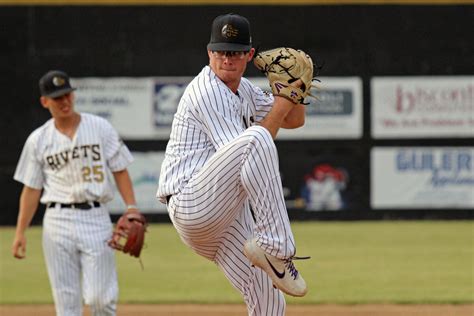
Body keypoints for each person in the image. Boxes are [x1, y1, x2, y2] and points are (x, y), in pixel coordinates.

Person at [157, 13, 309, 315]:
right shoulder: (207, 91)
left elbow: (294, 120)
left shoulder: (246, 90)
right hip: (192, 203)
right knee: (257, 139)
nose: (227, 58)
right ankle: (277, 249)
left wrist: (295, 93)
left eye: (235, 52)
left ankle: (271, 250)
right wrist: (282, 100)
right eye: (221, 51)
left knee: (269, 300)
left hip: (224, 220)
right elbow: (249, 149)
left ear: (249, 55)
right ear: (210, 52)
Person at [12, 70, 139, 316]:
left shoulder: (99, 127)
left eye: (67, 95)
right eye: (57, 98)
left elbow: (120, 170)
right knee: (66, 302)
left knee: (100, 298)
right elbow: (31, 189)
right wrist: (20, 232)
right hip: (57, 220)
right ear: (45, 101)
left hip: (95, 216)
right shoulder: (38, 140)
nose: (65, 102)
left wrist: (131, 207)